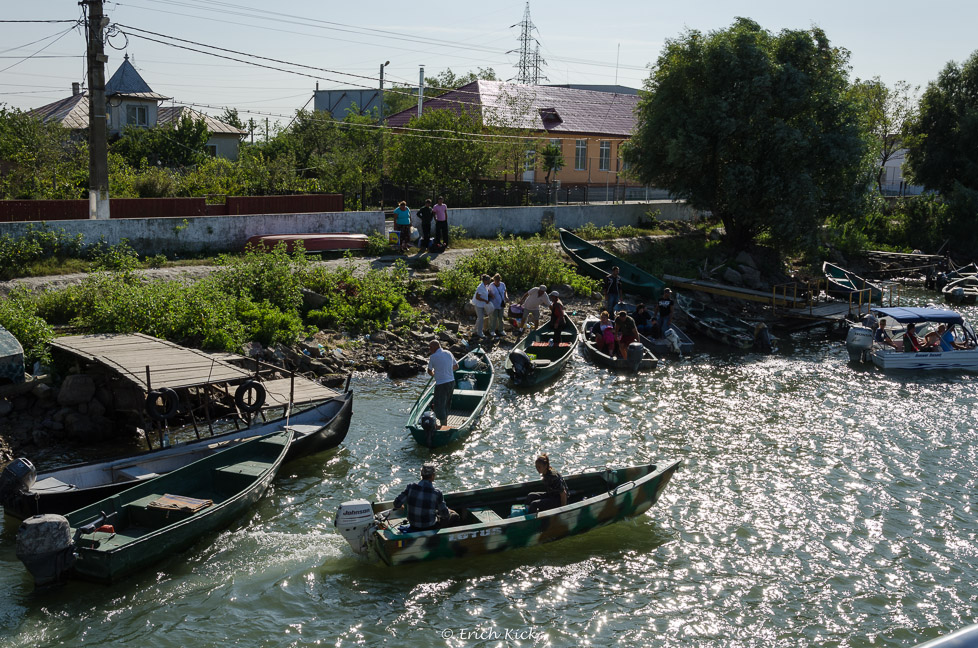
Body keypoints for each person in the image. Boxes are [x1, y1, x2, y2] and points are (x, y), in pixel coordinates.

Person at [393, 464, 460, 532]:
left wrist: (400, 505)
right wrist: (448, 511)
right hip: (429, 527)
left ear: (421, 474)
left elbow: (396, 504)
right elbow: (444, 515)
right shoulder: (436, 493)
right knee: (455, 516)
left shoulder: (410, 487)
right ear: (432, 476)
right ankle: (444, 538)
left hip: (413, 525)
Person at [427, 340, 458, 427]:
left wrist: (434, 374)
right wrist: (446, 371)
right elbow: (456, 366)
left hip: (441, 384)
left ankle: (442, 425)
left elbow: (429, 371)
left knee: (439, 404)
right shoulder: (448, 353)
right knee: (447, 403)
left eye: (430, 348)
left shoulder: (433, 357)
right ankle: (445, 422)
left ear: (433, 347)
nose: (429, 350)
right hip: (451, 382)